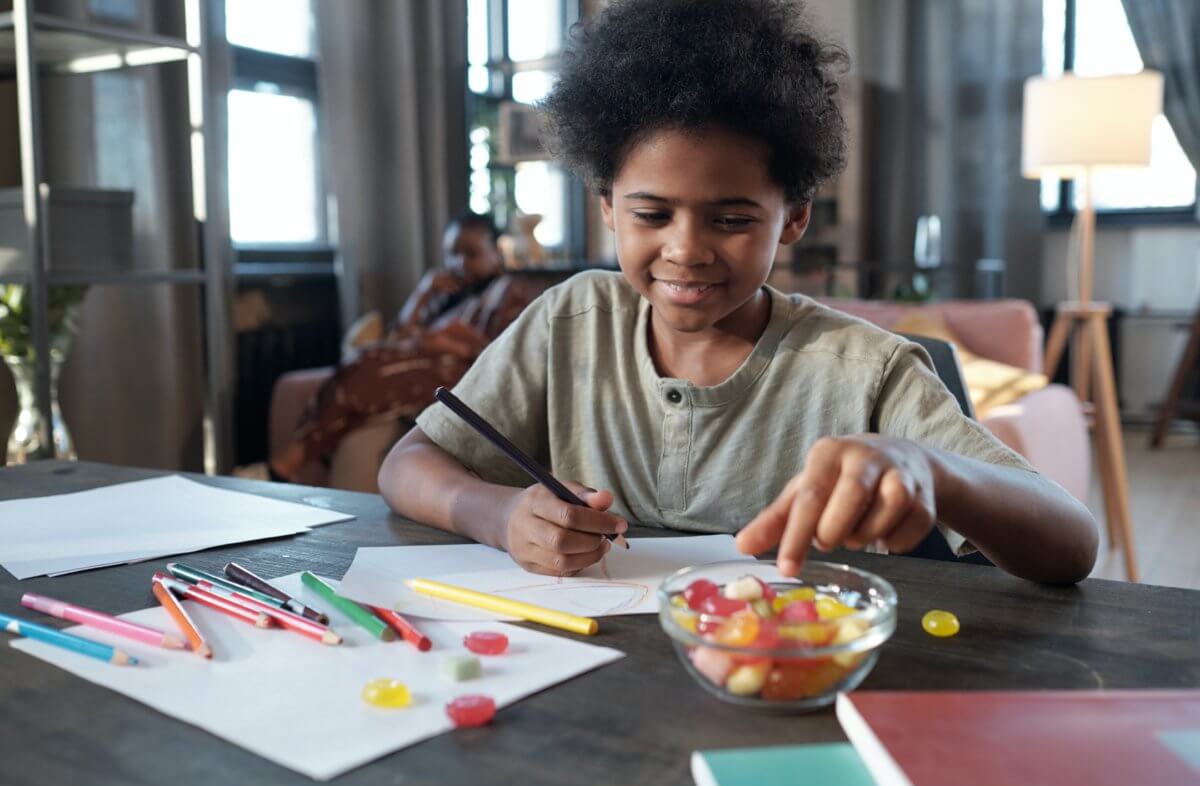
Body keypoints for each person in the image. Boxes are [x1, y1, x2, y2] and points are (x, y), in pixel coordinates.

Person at [378, 0, 1098, 583]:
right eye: (651, 214)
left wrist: (931, 467)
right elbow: (407, 465)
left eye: (730, 219)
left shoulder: (864, 370)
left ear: (795, 216)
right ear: (606, 207)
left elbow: (1073, 543)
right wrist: (496, 514)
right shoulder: (569, 321)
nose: (686, 249)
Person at [271, 212, 544, 481]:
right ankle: (289, 464)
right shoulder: (445, 294)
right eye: (452, 253)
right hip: (422, 362)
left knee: (366, 366)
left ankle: (283, 466)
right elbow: (398, 336)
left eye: (471, 254)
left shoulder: (511, 292)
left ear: (495, 252)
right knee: (364, 359)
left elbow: (503, 353)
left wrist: (442, 343)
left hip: (462, 376)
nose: (460, 262)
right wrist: (422, 293)